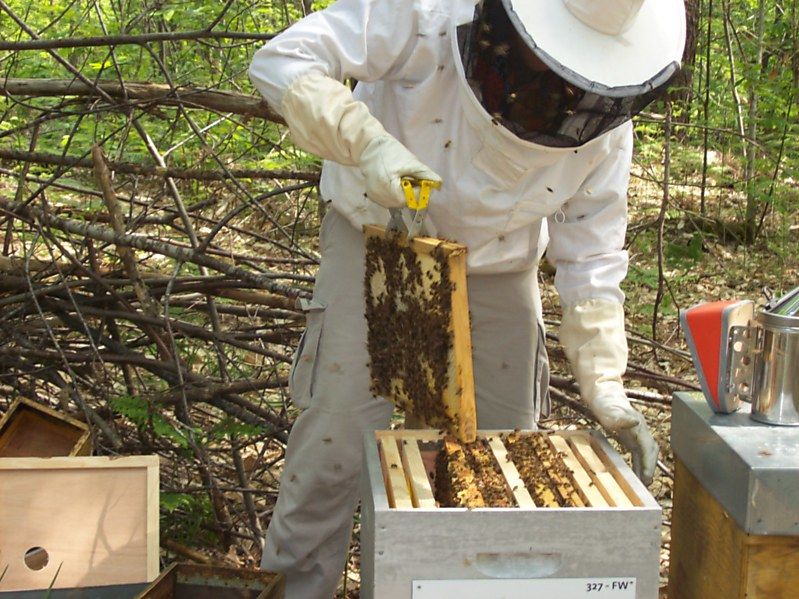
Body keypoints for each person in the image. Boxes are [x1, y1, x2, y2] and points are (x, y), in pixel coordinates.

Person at [249, 0, 686, 596]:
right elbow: (283, 61)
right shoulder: (426, 10)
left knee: (500, 463)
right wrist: (368, 145)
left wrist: (606, 386)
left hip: (501, 266)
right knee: (334, 446)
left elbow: (592, 255)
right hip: (377, 235)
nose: (559, 95)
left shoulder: (605, 122)